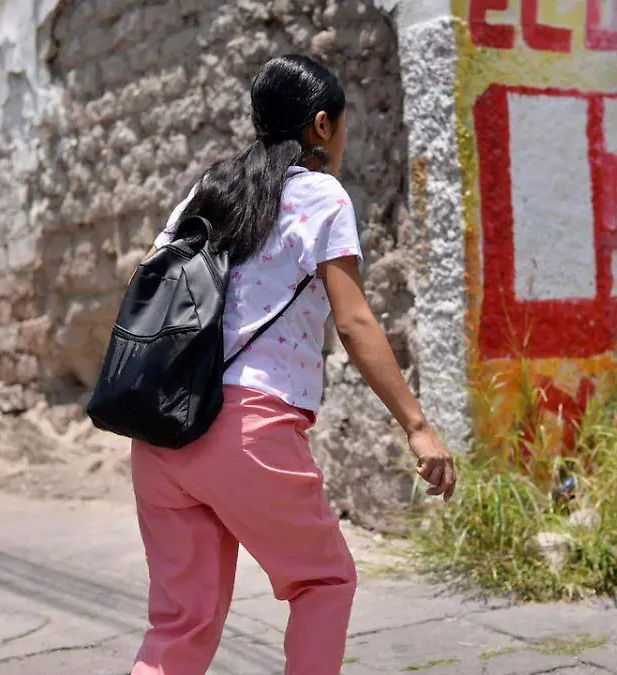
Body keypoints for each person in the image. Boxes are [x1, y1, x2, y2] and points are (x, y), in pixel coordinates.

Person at [129, 55, 458, 675]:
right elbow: (355, 321)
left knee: (182, 624)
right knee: (322, 584)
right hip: (249, 432)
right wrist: (416, 424)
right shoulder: (321, 195)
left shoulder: (207, 190)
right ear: (322, 124)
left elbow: (149, 283)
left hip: (163, 432)